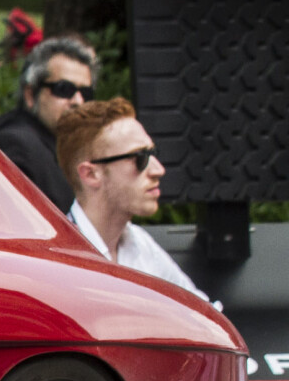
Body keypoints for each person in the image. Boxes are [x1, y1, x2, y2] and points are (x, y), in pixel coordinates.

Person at [55, 97, 214, 305]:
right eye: (139, 158)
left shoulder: (140, 244)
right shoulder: (63, 266)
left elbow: (204, 314)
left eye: (153, 153)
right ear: (91, 174)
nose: (158, 170)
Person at [0, 33, 95, 210]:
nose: (78, 101)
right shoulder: (17, 145)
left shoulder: (67, 147)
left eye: (86, 93)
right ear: (30, 94)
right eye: (64, 89)